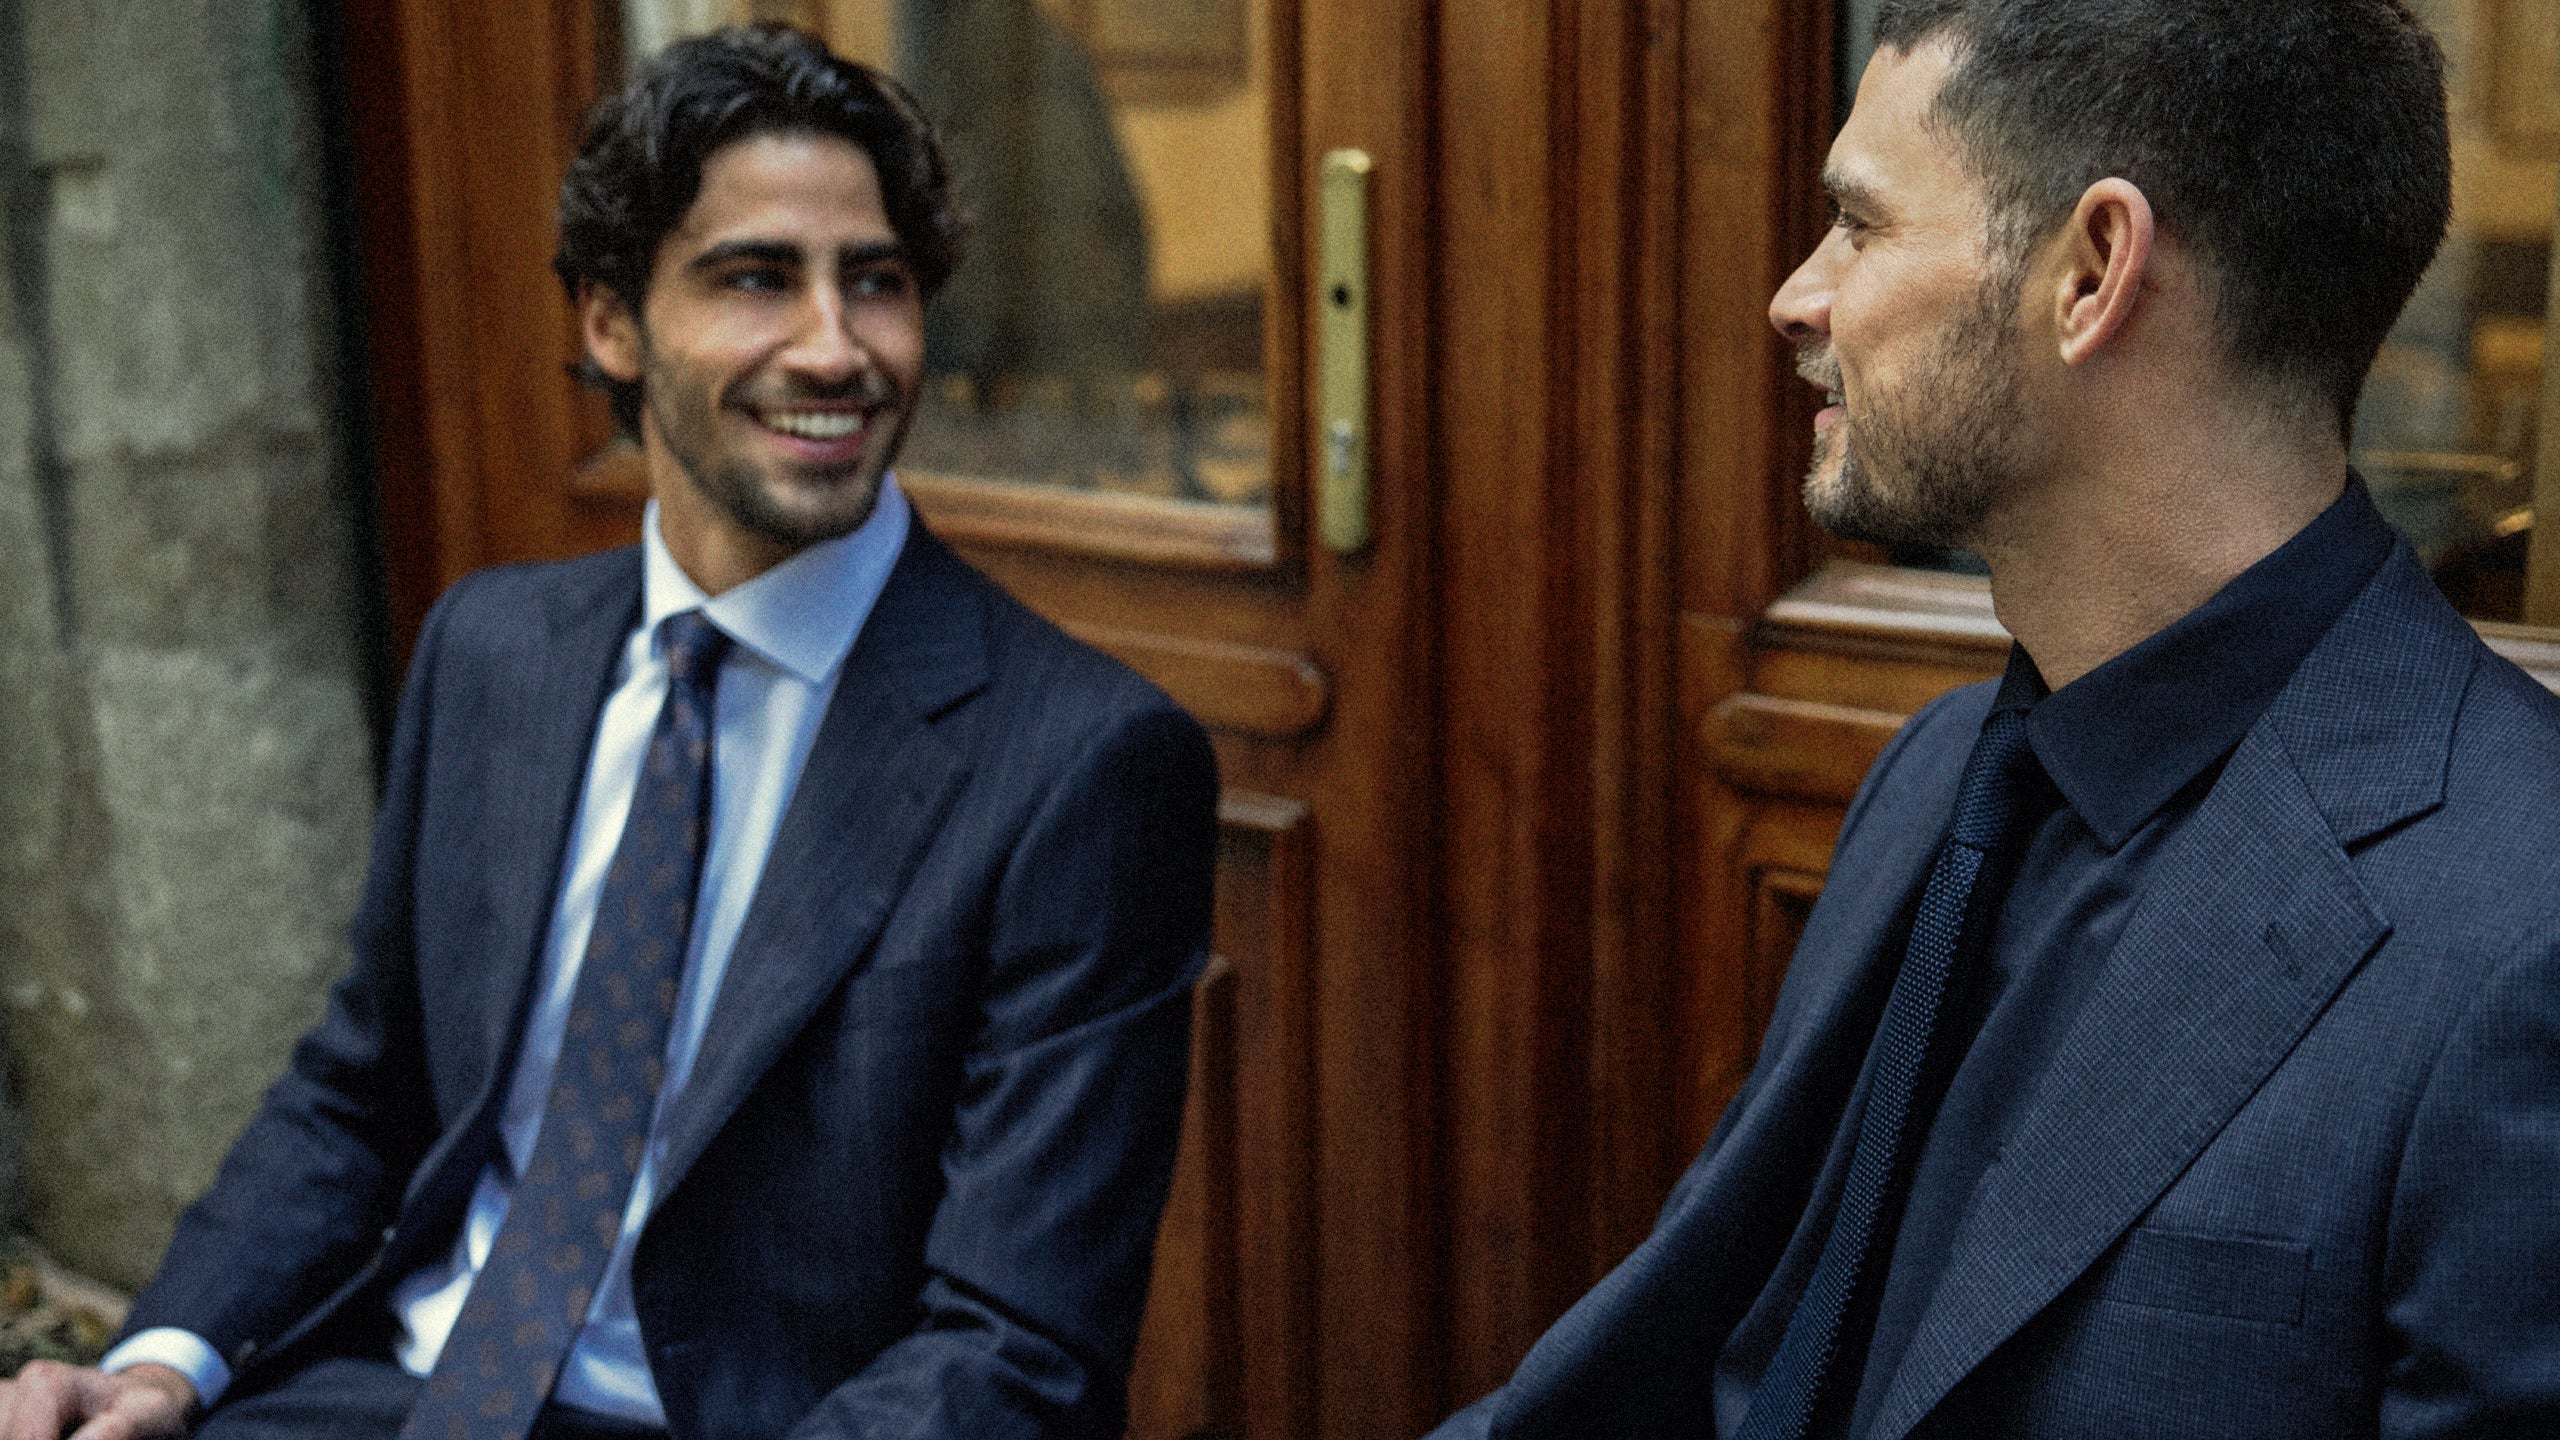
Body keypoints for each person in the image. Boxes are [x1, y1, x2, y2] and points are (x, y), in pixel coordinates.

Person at [0, 24, 1216, 1440]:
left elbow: (1015, 1352)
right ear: (610, 323)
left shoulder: (1079, 765)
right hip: (392, 1388)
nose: (836, 347)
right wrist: (161, 1361)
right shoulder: (491, 652)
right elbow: (360, 1092)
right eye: (756, 277)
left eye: (876, 281)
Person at [1432, 2, 2560, 1437]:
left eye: (1859, 224)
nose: (1797, 296)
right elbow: (1709, 1359)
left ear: (2092, 272)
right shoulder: (1932, 780)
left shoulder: (2524, 931)